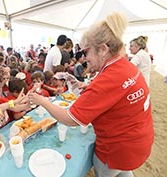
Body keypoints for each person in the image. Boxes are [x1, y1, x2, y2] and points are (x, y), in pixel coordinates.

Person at [29, 13, 154, 177]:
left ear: (103, 49)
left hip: (117, 149)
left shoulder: (107, 79)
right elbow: (118, 92)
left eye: (86, 51)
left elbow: (70, 119)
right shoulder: (125, 66)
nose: (85, 57)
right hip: (139, 140)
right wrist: (89, 86)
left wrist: (41, 100)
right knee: (124, 172)